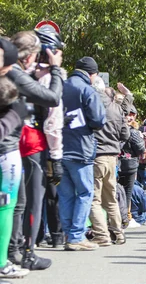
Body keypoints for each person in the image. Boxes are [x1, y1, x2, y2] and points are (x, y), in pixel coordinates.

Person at [6, 30, 64, 269]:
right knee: (30, 202)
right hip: (26, 141)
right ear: (28, 56)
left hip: (14, 141)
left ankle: (14, 250)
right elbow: (52, 99)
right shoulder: (17, 74)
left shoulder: (13, 71)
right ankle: (26, 251)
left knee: (16, 202)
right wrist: (56, 69)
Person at [59, 57, 107, 251]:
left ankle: (67, 233)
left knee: (66, 195)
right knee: (85, 192)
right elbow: (98, 120)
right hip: (81, 149)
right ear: (92, 74)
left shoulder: (60, 86)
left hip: (59, 148)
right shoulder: (88, 90)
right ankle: (77, 236)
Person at [0, 39, 30, 282]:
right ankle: (1, 262)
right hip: (6, 154)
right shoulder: (8, 86)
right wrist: (15, 116)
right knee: (6, 207)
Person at [89, 84, 130, 246]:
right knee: (111, 197)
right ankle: (119, 233)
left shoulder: (93, 107)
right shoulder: (117, 109)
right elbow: (125, 133)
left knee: (94, 198)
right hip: (112, 157)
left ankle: (101, 234)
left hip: (97, 155)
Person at [118, 103, 145, 228]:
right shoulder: (134, 132)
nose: (130, 118)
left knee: (116, 191)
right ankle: (126, 217)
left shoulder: (116, 127)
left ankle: (118, 217)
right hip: (130, 165)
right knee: (127, 192)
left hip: (118, 163)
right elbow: (141, 149)